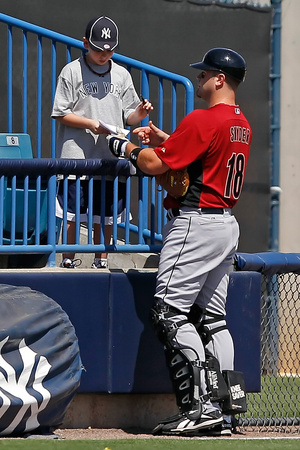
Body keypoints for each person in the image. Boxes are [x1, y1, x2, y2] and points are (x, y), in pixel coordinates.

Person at [106, 48, 252, 436]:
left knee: (169, 313)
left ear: (220, 79)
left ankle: (200, 407)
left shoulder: (205, 118)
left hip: (197, 222)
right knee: (213, 319)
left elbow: (155, 164)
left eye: (204, 74)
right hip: (226, 226)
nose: (200, 79)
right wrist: (166, 139)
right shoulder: (241, 122)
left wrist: (124, 146)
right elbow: (205, 155)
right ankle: (228, 407)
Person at [52, 16, 153, 269]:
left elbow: (128, 115)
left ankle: (101, 260)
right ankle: (67, 259)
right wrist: (91, 124)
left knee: (106, 214)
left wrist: (140, 113)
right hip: (77, 155)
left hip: (109, 154)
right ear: (85, 43)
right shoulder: (72, 71)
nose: (103, 54)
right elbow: (60, 112)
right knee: (72, 212)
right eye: (98, 48)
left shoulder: (121, 74)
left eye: (109, 49)